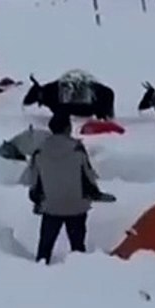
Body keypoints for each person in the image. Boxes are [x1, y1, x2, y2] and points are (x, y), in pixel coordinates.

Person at [22, 112, 103, 264]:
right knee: (78, 245)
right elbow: (88, 175)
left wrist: (37, 199)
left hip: (51, 206)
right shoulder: (77, 149)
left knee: (45, 245)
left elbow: (34, 180)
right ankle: (79, 269)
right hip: (76, 205)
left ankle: (41, 266)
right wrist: (94, 193)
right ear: (68, 128)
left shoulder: (39, 151)